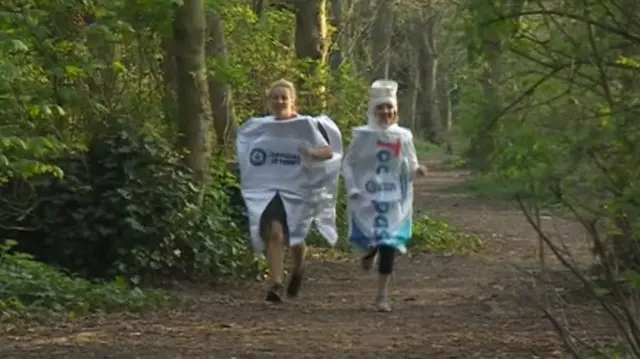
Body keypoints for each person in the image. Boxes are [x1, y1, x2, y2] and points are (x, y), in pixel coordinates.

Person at [236, 79, 343, 302]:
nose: (279, 101)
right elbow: (248, 151)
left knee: (295, 237)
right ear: (269, 101)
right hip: (270, 190)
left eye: (284, 97)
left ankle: (299, 268)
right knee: (275, 234)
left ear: (293, 101)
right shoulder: (261, 126)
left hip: (298, 189)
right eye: (275, 97)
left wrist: (312, 153)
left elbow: (328, 151)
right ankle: (275, 283)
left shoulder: (304, 125)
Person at [342, 79, 426, 312]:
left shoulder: (404, 136)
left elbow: (411, 162)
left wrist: (416, 170)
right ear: (373, 110)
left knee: (389, 242)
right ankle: (370, 250)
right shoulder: (362, 136)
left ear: (395, 111)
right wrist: (353, 188)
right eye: (381, 108)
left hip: (394, 198)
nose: (385, 112)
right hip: (368, 197)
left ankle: (382, 295)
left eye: (389, 108)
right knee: (375, 237)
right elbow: (348, 163)